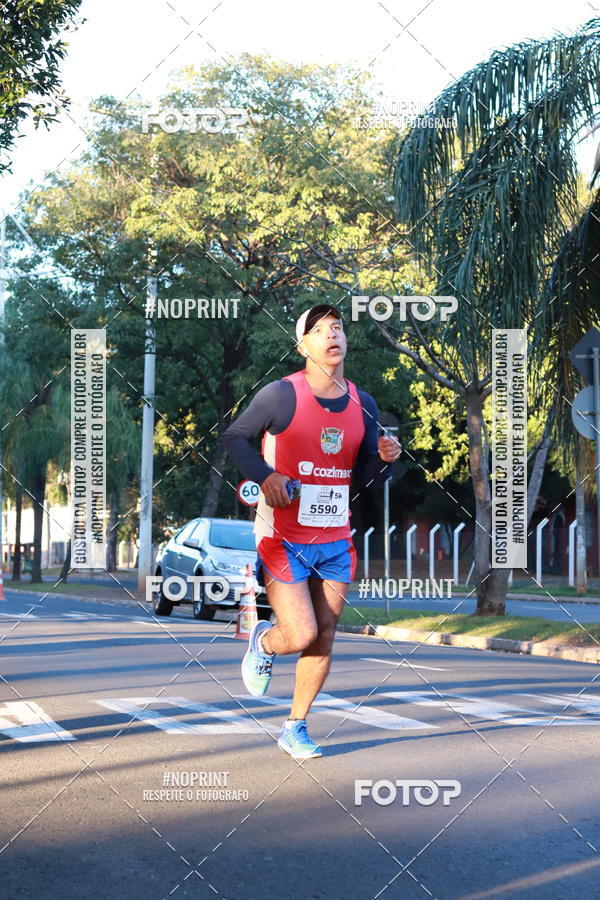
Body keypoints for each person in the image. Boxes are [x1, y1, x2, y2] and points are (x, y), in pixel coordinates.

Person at [221, 303, 401, 759]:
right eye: (319, 330)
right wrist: (265, 476)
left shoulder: (363, 403)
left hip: (335, 538)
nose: (332, 335)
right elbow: (234, 437)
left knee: (324, 633)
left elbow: (366, 478)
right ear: (303, 346)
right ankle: (264, 641)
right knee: (300, 633)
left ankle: (295, 726)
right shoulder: (281, 395)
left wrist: (384, 461)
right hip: (281, 535)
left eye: (337, 327)